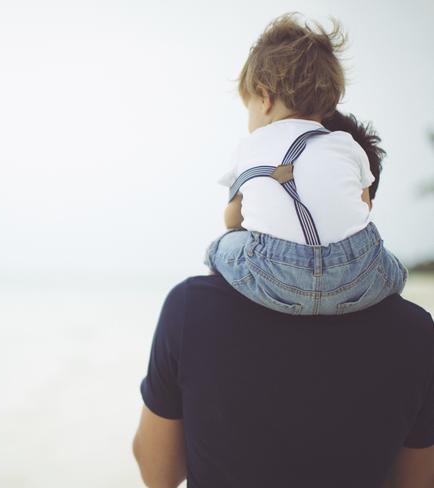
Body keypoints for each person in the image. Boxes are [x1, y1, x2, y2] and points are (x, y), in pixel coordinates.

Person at [132, 274, 434, 487]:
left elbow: (159, 474)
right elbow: (415, 482)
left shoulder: (193, 306)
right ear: (366, 194)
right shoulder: (415, 331)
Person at [203, 13, 407, 315]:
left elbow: (233, 217)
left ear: (264, 97)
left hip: (275, 277)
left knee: (220, 247)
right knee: (395, 269)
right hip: (353, 275)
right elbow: (364, 208)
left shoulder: (249, 146)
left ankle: (217, 301)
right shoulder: (347, 145)